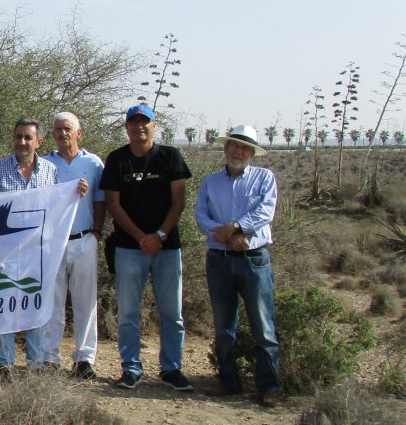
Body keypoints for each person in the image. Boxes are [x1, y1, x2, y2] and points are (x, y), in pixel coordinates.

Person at [101, 103, 193, 391]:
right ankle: (131, 367)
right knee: (128, 312)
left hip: (167, 248)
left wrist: (160, 235)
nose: (139, 126)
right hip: (129, 248)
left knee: (171, 312)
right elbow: (113, 204)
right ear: (127, 127)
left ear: (154, 125)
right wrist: (142, 237)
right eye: (133, 122)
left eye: (145, 121)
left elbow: (178, 200)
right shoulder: (117, 159)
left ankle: (172, 368)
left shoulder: (170, 157)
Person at [195, 125, 282, 407]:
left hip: (253, 259)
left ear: (252, 153)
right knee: (224, 326)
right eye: (234, 145)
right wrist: (226, 235)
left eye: (244, 148)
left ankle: (270, 387)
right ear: (226, 148)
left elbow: (265, 211)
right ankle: (228, 381)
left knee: (263, 327)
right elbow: (201, 215)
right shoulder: (210, 182)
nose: (238, 151)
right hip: (219, 260)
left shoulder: (264, 178)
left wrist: (236, 228)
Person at [0, 118, 60, 378]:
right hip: (4, 252)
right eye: (18, 137)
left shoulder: (50, 171)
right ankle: (4, 361)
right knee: (3, 306)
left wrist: (76, 193)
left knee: (35, 306)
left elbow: (57, 206)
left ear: (39, 141)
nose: (23, 142)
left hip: (37, 253)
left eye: (28, 137)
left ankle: (36, 362)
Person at [40, 111, 106, 379]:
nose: (62, 133)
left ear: (79, 133)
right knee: (52, 302)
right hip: (53, 242)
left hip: (84, 238)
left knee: (85, 302)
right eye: (57, 129)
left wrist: (97, 233)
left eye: (67, 129)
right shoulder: (44, 164)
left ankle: (84, 359)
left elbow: (101, 200)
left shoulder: (93, 164)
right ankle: (49, 357)